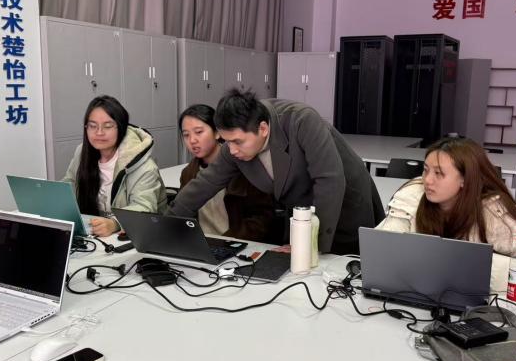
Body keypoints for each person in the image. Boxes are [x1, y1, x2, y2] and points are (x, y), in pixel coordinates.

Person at [169, 90, 384, 254]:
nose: (231, 150)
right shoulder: (235, 145)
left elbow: (329, 182)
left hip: (342, 205)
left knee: (342, 273)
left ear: (263, 129)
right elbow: (204, 184)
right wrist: (166, 225)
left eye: (237, 142)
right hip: (303, 214)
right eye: (227, 141)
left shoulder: (301, 121)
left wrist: (310, 243)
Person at [376, 137, 516, 291]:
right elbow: (382, 250)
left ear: (465, 179)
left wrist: (472, 267)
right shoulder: (413, 195)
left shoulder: (492, 213)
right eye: (425, 170)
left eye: (439, 173)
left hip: (475, 301)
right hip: (418, 291)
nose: (427, 180)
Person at [63, 95, 167, 237]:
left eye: (107, 126)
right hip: (95, 234)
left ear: (121, 127)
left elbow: (144, 207)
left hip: (140, 236)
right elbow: (70, 185)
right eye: (92, 126)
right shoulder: (82, 152)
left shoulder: (142, 164)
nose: (99, 132)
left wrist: (115, 223)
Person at [179, 104, 278, 242]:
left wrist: (225, 241)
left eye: (199, 132)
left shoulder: (245, 166)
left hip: (236, 244)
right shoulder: (188, 173)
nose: (192, 140)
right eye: (186, 135)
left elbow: (262, 219)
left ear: (217, 132)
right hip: (201, 245)